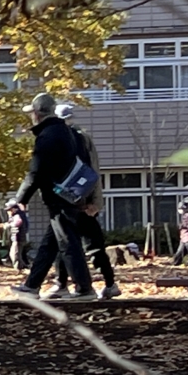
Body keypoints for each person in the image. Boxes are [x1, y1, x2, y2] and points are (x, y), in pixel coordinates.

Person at [10, 92, 96, 301]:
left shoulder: (47, 136)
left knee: (68, 243)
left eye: (32, 113)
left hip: (60, 197)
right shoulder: (68, 132)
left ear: (38, 114)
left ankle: (84, 288)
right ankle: (32, 285)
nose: (31, 117)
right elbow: (85, 161)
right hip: (73, 194)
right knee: (50, 244)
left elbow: (35, 173)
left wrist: (20, 199)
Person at [47, 104, 121, 299]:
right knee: (88, 244)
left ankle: (62, 284)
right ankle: (109, 283)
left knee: (66, 242)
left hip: (68, 200)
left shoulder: (63, 139)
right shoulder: (82, 138)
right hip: (83, 199)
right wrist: (95, 201)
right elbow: (93, 171)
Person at [5, 199, 30, 270]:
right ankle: (23, 266)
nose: (8, 211)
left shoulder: (18, 215)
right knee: (15, 253)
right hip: (17, 237)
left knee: (14, 253)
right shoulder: (17, 215)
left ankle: (18, 268)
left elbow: (18, 223)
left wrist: (8, 225)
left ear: (14, 209)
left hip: (18, 237)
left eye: (9, 210)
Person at [174, 197, 188, 266]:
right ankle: (176, 262)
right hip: (184, 237)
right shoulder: (184, 215)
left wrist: (184, 226)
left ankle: (176, 262)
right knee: (180, 251)